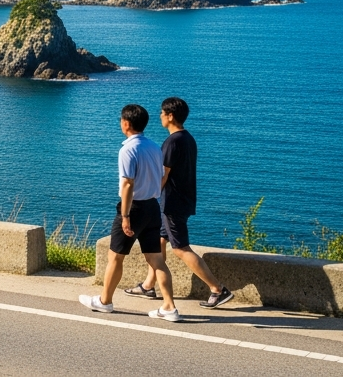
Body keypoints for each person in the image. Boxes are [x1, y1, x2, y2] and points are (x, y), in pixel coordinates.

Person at [126, 97, 235, 308]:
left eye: (162, 113)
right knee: (159, 242)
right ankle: (148, 285)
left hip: (173, 203)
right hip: (184, 199)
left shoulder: (172, 142)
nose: (159, 116)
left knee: (180, 248)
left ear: (170, 116)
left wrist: (149, 194)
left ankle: (218, 289)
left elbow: (163, 175)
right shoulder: (188, 138)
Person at [79, 104, 181, 322]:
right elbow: (160, 177)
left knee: (115, 256)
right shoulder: (155, 147)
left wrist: (125, 216)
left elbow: (127, 184)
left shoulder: (128, 149)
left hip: (134, 208)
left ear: (126, 123)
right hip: (152, 207)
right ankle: (169, 307)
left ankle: (105, 301)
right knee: (156, 259)